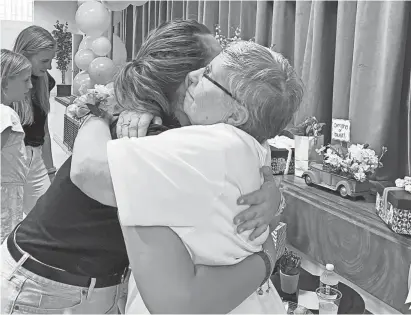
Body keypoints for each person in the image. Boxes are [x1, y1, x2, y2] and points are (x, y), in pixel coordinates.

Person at [0, 20, 282, 314]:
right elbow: (88, 172)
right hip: (45, 284)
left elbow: (252, 156)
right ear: (191, 78)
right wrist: (98, 113)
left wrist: (272, 191)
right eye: (214, 69)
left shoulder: (188, 132)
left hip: (90, 284)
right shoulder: (146, 131)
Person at [76, 41, 303, 313]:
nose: (192, 76)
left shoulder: (213, 145)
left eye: (207, 73)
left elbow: (88, 170)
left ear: (236, 113)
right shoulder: (252, 143)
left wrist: (94, 113)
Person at [13, 25, 57, 214]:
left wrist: (50, 169)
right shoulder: (5, 83)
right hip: (10, 158)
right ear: (24, 55)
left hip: (36, 158)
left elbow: (44, 131)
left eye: (51, 60)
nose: (49, 67)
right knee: (7, 222)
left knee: (45, 215)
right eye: (44, 61)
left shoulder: (46, 81)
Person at [1, 49, 33, 243]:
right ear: (5, 82)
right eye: (25, 80)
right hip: (5, 191)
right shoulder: (5, 114)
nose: (30, 86)